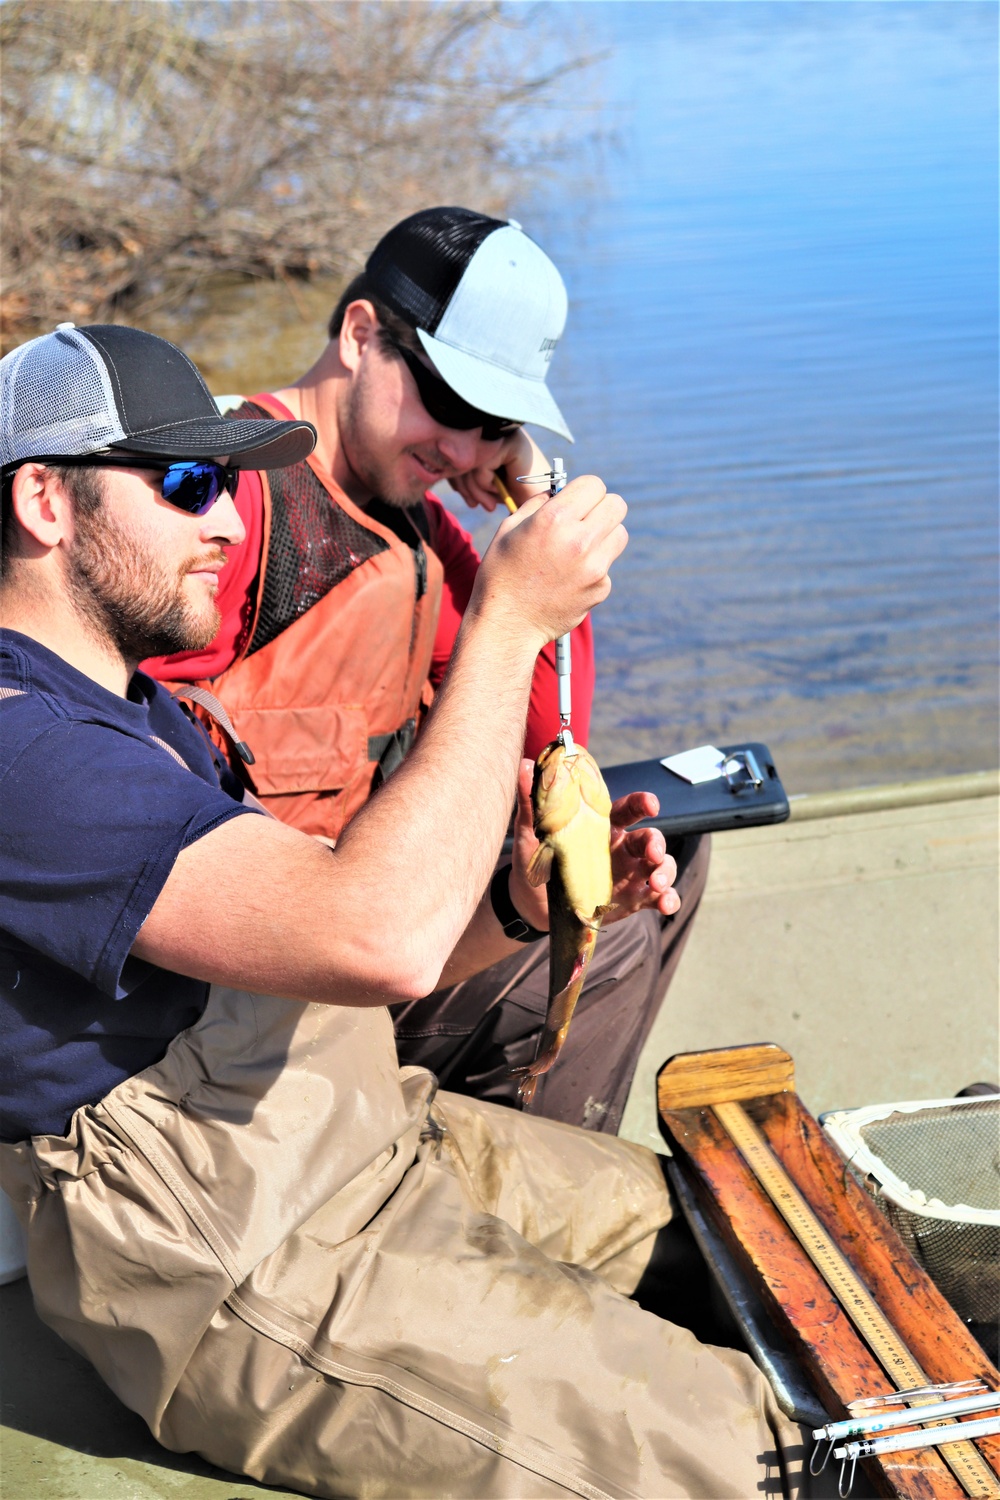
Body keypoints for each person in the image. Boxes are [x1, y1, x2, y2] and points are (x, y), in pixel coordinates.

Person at [0, 324, 804, 1500]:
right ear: (43, 504)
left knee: (750, 1239)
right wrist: (510, 621)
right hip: (244, 1258)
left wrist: (522, 908)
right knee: (774, 1462)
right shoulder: (24, 750)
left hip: (360, 1129)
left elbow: (366, 961)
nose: (226, 521)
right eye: (184, 483)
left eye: (229, 482)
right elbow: (373, 937)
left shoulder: (132, 710)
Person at [144, 207, 710, 1135]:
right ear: (362, 335)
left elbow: (547, 752)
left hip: (359, 936)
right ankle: (479, 1198)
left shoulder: (424, 537)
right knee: (600, 943)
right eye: (450, 406)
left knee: (655, 860)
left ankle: (487, 1169)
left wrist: (525, 520)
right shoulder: (224, 495)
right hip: (243, 977)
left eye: (500, 425)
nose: (465, 452)